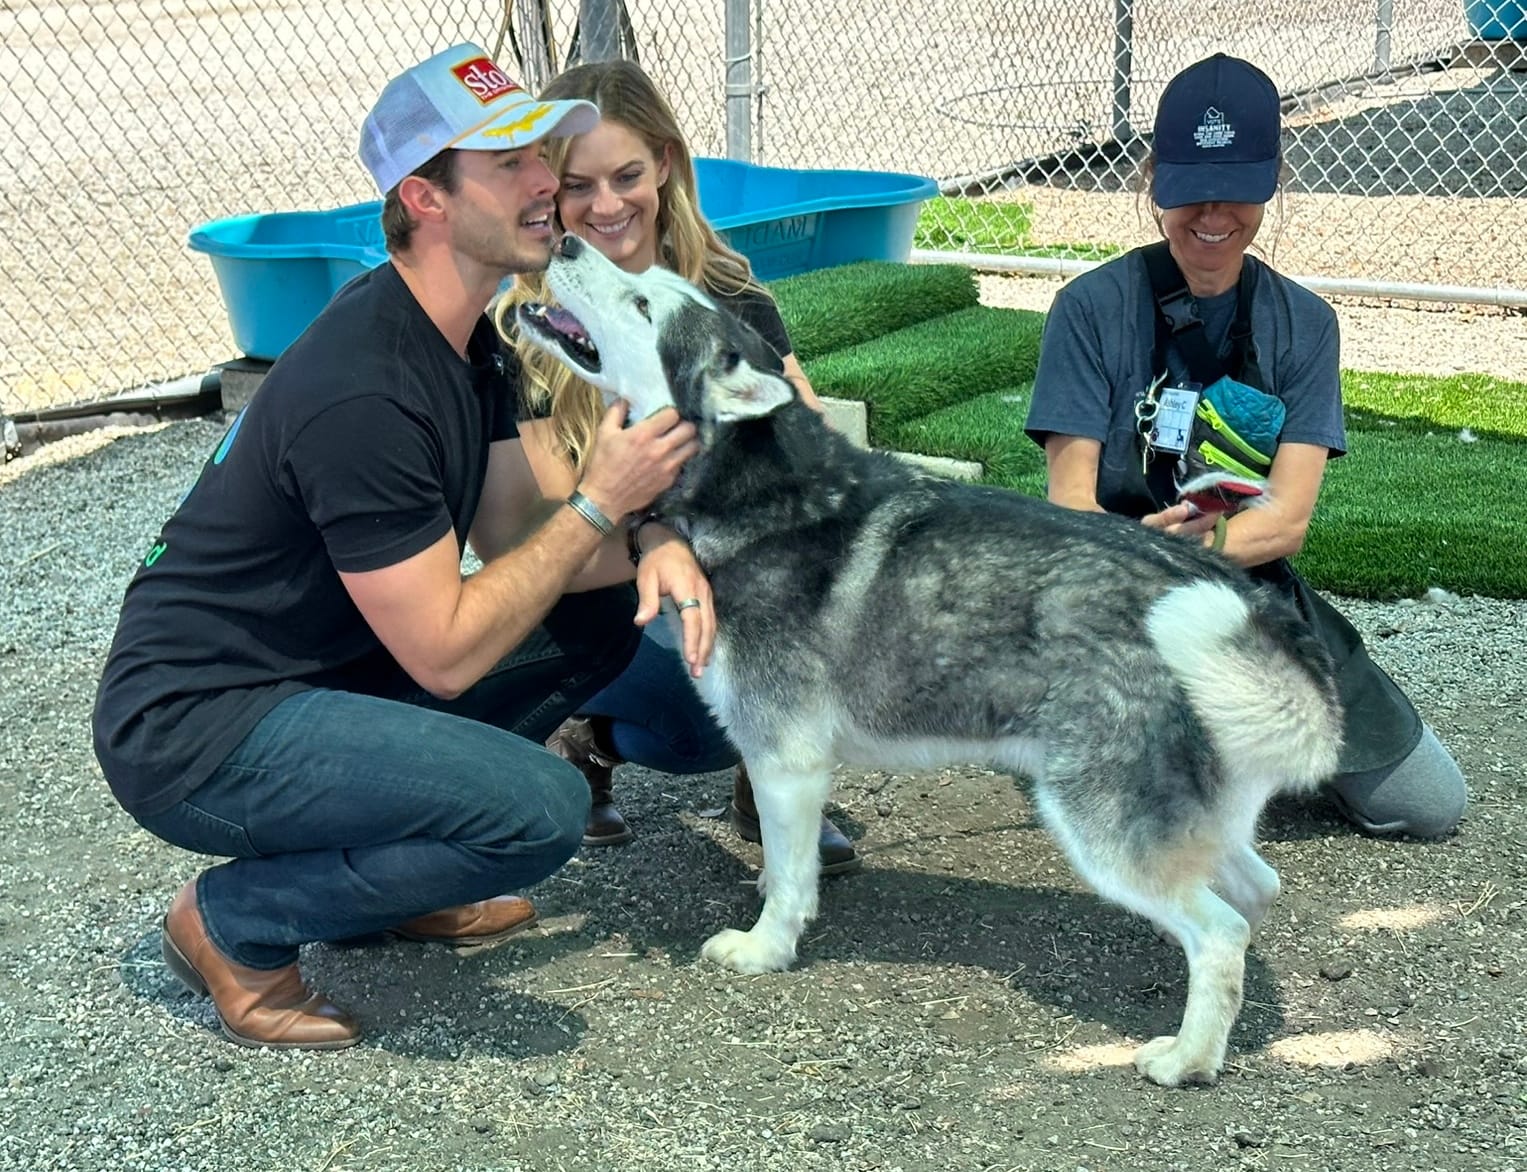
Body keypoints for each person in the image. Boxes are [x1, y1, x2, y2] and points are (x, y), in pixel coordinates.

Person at [91, 43, 716, 1051]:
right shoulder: (367, 389)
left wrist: (669, 539)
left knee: (598, 613)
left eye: (536, 156)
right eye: (507, 164)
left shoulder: (466, 337)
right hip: (202, 727)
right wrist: (604, 502)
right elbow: (449, 650)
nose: (545, 182)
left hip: (319, 682)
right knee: (539, 812)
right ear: (425, 198)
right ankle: (233, 923)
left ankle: (380, 886)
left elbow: (525, 536)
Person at [1024, 53, 1466, 839]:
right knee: (1151, 816)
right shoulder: (1089, 308)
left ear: (1271, 180)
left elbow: (1285, 521)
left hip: (1249, 591)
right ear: (1153, 177)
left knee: (1429, 804)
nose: (1211, 213)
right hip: (1116, 598)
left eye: (1236, 188)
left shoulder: (1302, 322)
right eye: (1187, 187)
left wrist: (1194, 556)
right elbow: (1069, 512)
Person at [496, 59, 860, 874]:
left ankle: (769, 775)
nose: (605, 205)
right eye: (574, 185)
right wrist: (655, 535)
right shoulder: (528, 322)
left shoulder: (730, 293)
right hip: (607, 577)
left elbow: (806, 452)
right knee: (694, 718)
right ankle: (587, 733)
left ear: (664, 163)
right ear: (543, 189)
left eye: (626, 175)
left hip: (725, 559)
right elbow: (559, 528)